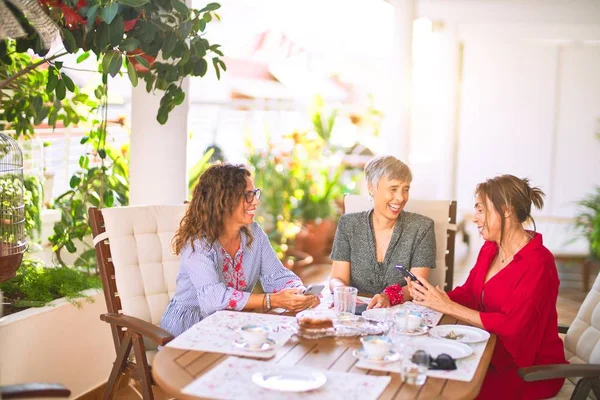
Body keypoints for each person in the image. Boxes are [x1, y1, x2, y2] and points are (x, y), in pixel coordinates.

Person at [407, 175, 567, 399]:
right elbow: (468, 293)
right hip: (488, 351)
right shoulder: (491, 248)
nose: (475, 218)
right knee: (424, 372)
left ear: (507, 210)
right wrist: (432, 297)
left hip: (527, 369)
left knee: (445, 390)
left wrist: (446, 306)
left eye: (481, 210)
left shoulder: (539, 263)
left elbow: (512, 326)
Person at [160, 164, 319, 337]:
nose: (256, 201)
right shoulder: (197, 242)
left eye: (255, 193)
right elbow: (213, 298)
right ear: (223, 200)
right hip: (190, 330)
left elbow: (277, 275)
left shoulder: (254, 233)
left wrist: (299, 292)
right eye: (248, 195)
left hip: (233, 325)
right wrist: (270, 300)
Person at [329, 155, 436, 309]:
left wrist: (388, 297)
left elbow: (417, 286)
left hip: (401, 317)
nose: (400, 198)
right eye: (393, 189)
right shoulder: (348, 224)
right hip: (356, 312)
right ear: (371, 188)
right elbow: (337, 278)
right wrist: (341, 290)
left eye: (405, 189)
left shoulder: (422, 227)